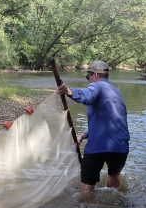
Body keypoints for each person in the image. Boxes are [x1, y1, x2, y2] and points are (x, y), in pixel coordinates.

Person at [56, 60, 130, 193]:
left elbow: (87, 95)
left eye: (87, 77)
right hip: (120, 146)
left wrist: (68, 91)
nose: (88, 81)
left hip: (98, 145)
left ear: (95, 75)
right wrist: (84, 135)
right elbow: (108, 121)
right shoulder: (116, 92)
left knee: (87, 185)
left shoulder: (97, 86)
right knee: (114, 177)